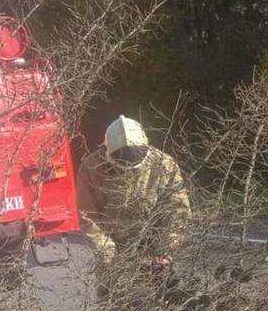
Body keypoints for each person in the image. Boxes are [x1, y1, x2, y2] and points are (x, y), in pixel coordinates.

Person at [76, 115, 191, 289]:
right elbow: (88, 216)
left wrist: (166, 250)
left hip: (154, 249)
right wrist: (110, 256)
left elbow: (177, 210)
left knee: (162, 304)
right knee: (113, 305)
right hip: (113, 253)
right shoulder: (91, 168)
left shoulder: (164, 165)